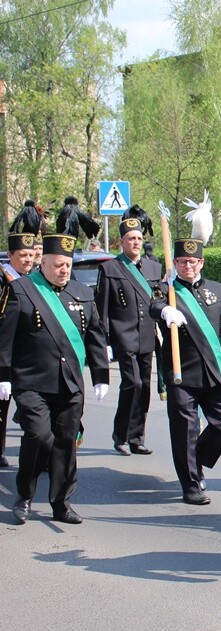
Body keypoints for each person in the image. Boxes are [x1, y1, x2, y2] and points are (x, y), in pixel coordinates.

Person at [0, 233, 110, 524]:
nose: (64, 270)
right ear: (43, 262)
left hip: (70, 384)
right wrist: (3, 375)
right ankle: (24, 495)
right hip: (31, 382)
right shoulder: (23, 290)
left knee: (65, 442)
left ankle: (61, 504)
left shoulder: (82, 293)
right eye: (58, 264)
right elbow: (5, 337)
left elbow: (96, 337)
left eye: (68, 265)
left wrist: (101, 376)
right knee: (38, 435)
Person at [151, 238, 221, 505]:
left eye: (192, 262)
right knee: (185, 429)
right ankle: (191, 485)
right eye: (182, 261)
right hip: (180, 372)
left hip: (212, 372)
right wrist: (165, 311)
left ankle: (197, 461)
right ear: (174, 263)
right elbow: (153, 305)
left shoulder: (218, 290)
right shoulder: (166, 289)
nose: (188, 266)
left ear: (202, 263)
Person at [95, 207, 163, 457]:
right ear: (121, 242)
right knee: (131, 383)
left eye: (138, 239)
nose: (135, 243)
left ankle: (137, 437)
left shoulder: (153, 269)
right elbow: (101, 309)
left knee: (144, 386)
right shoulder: (110, 269)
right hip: (123, 337)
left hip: (146, 336)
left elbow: (158, 301)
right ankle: (120, 434)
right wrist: (105, 340)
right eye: (130, 239)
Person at [0, 232, 39, 467]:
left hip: (30, 358)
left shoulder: (35, 279)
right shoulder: (3, 280)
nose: (27, 259)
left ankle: (37, 455)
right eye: (22, 255)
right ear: (11, 256)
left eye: (31, 255)